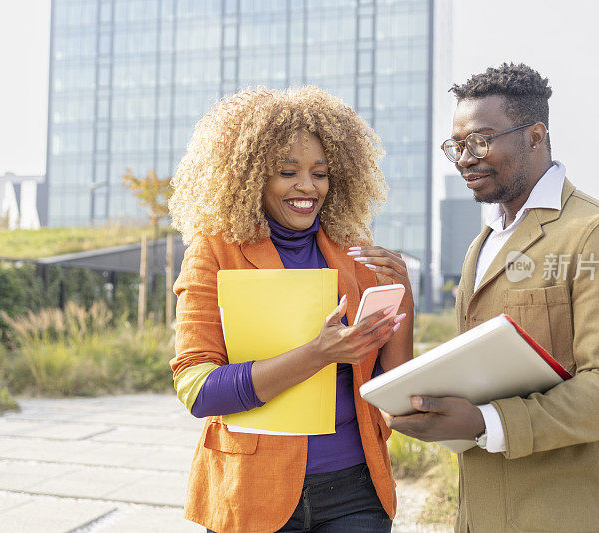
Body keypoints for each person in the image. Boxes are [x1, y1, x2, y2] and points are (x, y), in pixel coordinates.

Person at [383, 63, 599, 532]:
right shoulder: (483, 244)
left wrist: (482, 422)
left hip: (569, 514)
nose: (465, 158)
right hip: (483, 513)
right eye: (458, 145)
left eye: (482, 140)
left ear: (535, 136)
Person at [168, 86, 414, 533]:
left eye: (320, 173)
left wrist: (403, 299)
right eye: (287, 172)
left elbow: (394, 389)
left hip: (355, 489)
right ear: (247, 176)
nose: (307, 186)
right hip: (252, 490)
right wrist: (316, 355)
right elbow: (197, 389)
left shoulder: (353, 252)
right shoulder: (214, 253)